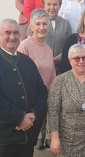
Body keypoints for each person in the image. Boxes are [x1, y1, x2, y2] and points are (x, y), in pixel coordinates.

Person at [0, 19, 47, 157]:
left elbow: (42, 90)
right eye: (7, 33)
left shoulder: (27, 61)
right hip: (0, 138)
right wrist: (19, 118)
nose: (12, 36)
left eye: (16, 33)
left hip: (27, 137)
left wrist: (34, 114)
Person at [48, 44, 85, 157]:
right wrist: (54, 138)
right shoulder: (60, 81)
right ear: (70, 61)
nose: (81, 61)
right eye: (76, 58)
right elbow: (53, 112)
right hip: (67, 139)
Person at [17, 9, 56, 149]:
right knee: (26, 143)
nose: (41, 27)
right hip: (28, 102)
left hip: (43, 100)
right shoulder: (24, 46)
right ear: (31, 26)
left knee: (34, 142)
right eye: (38, 24)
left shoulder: (48, 49)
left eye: (45, 24)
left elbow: (52, 76)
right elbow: (18, 75)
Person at [28, 0, 72, 73]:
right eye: (48, 4)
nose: (52, 8)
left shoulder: (65, 24)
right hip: (39, 67)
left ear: (60, 6)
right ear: (44, 6)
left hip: (60, 67)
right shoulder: (34, 24)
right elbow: (30, 44)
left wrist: (57, 59)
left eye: (55, 4)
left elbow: (69, 46)